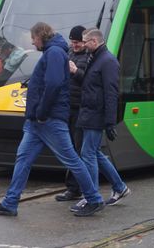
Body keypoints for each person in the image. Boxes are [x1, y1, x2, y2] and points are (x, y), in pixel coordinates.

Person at [0, 22, 104, 217]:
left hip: (49, 119)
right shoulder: (52, 52)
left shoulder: (55, 53)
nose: (32, 43)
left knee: (72, 160)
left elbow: (54, 83)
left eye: (33, 39)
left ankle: (94, 198)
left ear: (41, 36)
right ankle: (10, 202)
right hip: (36, 121)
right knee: (23, 158)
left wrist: (41, 112)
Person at [76, 28, 130, 209]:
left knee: (88, 154)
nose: (82, 45)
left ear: (94, 41)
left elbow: (111, 93)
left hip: (96, 115)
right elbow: (91, 85)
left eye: (85, 41)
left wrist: (109, 122)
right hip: (90, 112)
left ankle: (91, 197)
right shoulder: (96, 58)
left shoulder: (107, 61)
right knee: (95, 153)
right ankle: (120, 187)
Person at [55, 25, 87, 202]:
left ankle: (75, 188)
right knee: (71, 148)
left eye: (77, 42)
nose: (74, 45)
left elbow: (91, 82)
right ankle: (75, 187)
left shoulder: (90, 55)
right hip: (67, 106)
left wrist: (75, 71)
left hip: (81, 108)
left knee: (78, 149)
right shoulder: (68, 52)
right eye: (72, 42)